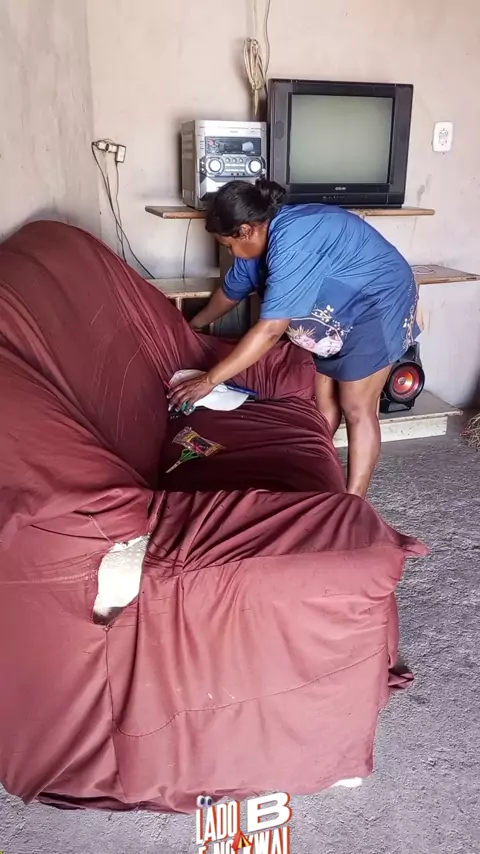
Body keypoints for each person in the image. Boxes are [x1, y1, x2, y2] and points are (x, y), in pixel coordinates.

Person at [168, 179, 419, 497]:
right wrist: (192, 325)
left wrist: (209, 380)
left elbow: (271, 330)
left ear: (246, 230)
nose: (230, 252)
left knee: (356, 406)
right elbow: (229, 294)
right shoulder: (253, 250)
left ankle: (353, 503)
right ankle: (319, 476)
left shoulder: (292, 240)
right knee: (324, 403)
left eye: (229, 245)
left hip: (378, 302)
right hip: (339, 310)